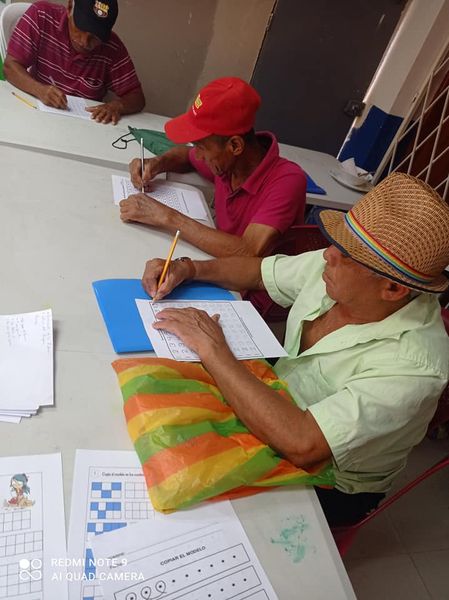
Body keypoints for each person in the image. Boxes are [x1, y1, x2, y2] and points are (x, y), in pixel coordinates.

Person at [140, 172, 449, 526]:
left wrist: (214, 349)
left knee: (187, 509)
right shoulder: (342, 271)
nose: (327, 254)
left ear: (393, 290)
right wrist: (188, 268)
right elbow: (260, 273)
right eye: (337, 242)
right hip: (282, 391)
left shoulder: (415, 367)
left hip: (330, 480)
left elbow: (302, 444)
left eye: (345, 254)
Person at [121, 77, 306, 258]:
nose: (199, 155)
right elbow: (186, 156)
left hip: (249, 277)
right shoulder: (227, 160)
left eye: (201, 147)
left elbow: (248, 251)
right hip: (216, 265)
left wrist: (165, 216)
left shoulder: (287, 181)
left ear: (235, 146)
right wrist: (156, 163)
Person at [4, 0, 145, 124]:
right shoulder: (41, 15)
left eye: (95, 37)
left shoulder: (112, 47)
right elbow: (10, 66)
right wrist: (39, 90)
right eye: (81, 28)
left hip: (84, 126)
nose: (85, 42)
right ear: (70, 7)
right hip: (38, 113)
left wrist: (117, 106)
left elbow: (137, 97)